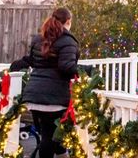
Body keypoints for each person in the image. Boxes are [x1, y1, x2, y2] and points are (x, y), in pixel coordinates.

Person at [21, 8, 91, 158]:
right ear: (68, 22)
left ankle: (62, 155)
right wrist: (86, 70)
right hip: (53, 98)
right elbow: (66, 67)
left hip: (34, 95)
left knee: (52, 135)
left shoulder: (39, 38)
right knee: (49, 137)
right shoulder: (67, 41)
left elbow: (34, 61)